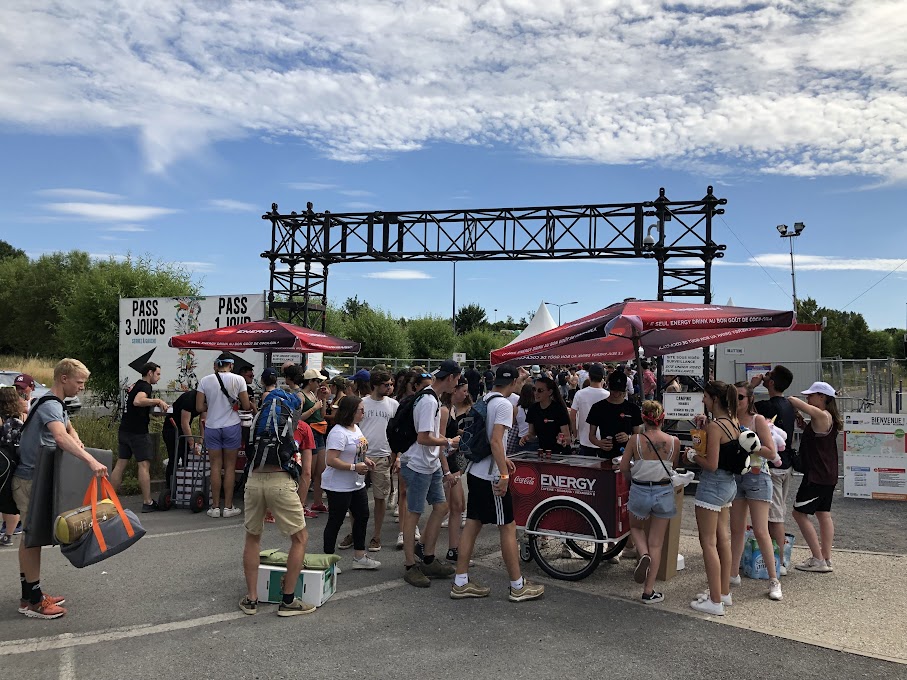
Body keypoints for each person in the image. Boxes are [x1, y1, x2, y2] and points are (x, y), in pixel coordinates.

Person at [13, 358, 107, 619]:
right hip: (29, 479)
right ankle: (33, 601)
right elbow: (60, 436)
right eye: (79, 383)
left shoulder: (51, 402)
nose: (81, 388)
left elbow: (68, 428)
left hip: (35, 478)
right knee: (32, 539)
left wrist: (77, 439)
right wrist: (90, 460)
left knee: (33, 538)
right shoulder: (50, 404)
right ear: (63, 378)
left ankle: (30, 594)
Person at [451, 364, 545, 602]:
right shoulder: (504, 404)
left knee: (473, 523)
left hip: (476, 470)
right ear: (512, 383)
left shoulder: (486, 398)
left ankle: (460, 581)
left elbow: (493, 444)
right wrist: (504, 474)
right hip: (492, 476)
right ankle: (517, 585)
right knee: (508, 526)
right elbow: (495, 441)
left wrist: (504, 461)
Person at [240, 396, 315, 618]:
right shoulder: (297, 425)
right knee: (299, 539)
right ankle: (288, 600)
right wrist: (301, 501)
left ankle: (251, 599)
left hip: (254, 481)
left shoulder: (257, 422)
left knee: (253, 538)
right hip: (281, 481)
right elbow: (306, 471)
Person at [401, 359, 460, 588]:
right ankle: (409, 565)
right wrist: (448, 441)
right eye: (457, 380)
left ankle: (427, 557)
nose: (457, 385)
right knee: (414, 513)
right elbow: (423, 437)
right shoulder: (428, 400)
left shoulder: (431, 397)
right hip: (418, 464)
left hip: (430, 462)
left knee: (441, 507)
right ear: (451, 378)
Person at [618, 400, 681, 604]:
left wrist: (632, 476)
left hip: (640, 490)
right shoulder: (674, 441)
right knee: (657, 543)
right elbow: (674, 466)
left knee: (635, 528)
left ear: (643, 418)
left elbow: (624, 466)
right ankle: (648, 591)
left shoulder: (635, 440)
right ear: (662, 418)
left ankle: (641, 552)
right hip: (663, 491)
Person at [686, 381, 740, 616]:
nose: (703, 401)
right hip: (728, 485)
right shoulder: (733, 422)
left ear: (715, 399)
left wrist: (692, 456)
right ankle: (723, 592)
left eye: (706, 397)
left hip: (712, 485)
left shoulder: (716, 426)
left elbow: (710, 464)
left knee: (708, 542)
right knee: (723, 539)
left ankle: (715, 600)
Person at [729, 381, 782, 601]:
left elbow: (771, 451)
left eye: (740, 397)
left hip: (758, 475)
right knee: (737, 529)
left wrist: (751, 445)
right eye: (733, 398)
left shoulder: (757, 419)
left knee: (761, 530)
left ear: (750, 399)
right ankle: (732, 574)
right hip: (735, 476)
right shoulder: (729, 420)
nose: (736, 401)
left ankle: (774, 579)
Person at [322, 396, 380, 570]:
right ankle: (328, 561)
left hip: (356, 483)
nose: (364, 413)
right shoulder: (338, 432)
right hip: (338, 485)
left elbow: (356, 452)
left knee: (362, 516)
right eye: (361, 410)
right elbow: (331, 460)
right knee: (336, 521)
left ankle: (359, 556)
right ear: (351, 412)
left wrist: (366, 460)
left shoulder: (355, 428)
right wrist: (354, 467)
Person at [790, 381, 842, 574]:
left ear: (823, 397)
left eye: (812, 395)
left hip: (817, 476)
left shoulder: (820, 415)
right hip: (828, 475)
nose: (808, 398)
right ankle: (826, 558)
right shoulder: (828, 418)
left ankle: (818, 558)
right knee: (823, 514)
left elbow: (797, 403)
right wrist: (804, 426)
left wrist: (787, 399)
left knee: (798, 513)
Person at [751, 365, 796, 575]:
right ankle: (775, 554)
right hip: (786, 464)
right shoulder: (788, 405)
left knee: (775, 515)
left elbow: (741, 404)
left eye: (767, 376)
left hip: (774, 467)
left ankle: (781, 561)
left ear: (770, 383)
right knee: (776, 511)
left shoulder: (768, 407)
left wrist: (751, 386)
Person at [196, 354, 251, 518]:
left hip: (212, 426)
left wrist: (211, 404)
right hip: (231, 426)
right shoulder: (238, 380)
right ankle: (228, 507)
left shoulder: (205, 380)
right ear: (231, 365)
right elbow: (246, 405)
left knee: (214, 466)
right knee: (229, 467)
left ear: (217, 365)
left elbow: (199, 407)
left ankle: (214, 507)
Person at [111, 362, 169, 513]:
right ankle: (147, 501)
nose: (159, 377)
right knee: (144, 465)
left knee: (120, 464)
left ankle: (108, 501)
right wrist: (158, 401)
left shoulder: (135, 385)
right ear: (150, 373)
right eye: (158, 374)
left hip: (124, 429)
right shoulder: (145, 386)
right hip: (138, 432)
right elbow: (138, 401)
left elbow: (135, 405)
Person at [358, 371, 398, 552]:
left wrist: (396, 454)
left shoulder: (393, 405)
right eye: (386, 385)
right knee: (356, 498)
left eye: (391, 384)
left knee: (380, 498)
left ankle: (377, 535)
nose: (390, 388)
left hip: (383, 456)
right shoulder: (362, 403)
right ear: (375, 385)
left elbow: (398, 431)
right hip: (361, 455)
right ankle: (355, 532)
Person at [440, 378, 471, 561]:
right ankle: (425, 547)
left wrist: (465, 435)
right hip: (447, 463)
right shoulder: (444, 410)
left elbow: (450, 435)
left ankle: (453, 549)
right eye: (464, 390)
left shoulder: (451, 408)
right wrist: (446, 471)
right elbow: (440, 441)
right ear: (455, 390)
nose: (466, 394)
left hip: (452, 461)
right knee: (443, 508)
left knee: (456, 507)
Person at [586, 370, 643, 459]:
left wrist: (628, 437)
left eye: (619, 390)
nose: (616, 393)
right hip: (605, 455)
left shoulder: (633, 408)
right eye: (614, 390)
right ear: (609, 387)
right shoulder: (598, 407)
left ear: (624, 389)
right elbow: (591, 435)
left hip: (628, 456)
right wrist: (599, 443)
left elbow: (638, 436)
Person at [297, 368, 329, 514]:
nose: (319, 383)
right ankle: (301, 504)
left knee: (320, 471)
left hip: (319, 433)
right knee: (308, 471)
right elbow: (297, 418)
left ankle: (317, 502)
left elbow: (322, 415)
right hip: (308, 435)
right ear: (310, 381)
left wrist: (323, 399)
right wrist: (314, 408)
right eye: (317, 381)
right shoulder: (301, 395)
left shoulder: (313, 395)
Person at [520, 376, 570, 454]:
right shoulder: (532, 409)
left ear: (550, 392)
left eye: (540, 390)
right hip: (543, 452)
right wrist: (526, 437)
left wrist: (564, 440)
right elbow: (532, 433)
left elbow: (567, 437)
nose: (536, 393)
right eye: (534, 389)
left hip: (560, 453)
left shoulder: (558, 409)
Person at [162, 388, 200, 487]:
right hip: (172, 428)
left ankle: (185, 486)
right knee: (174, 457)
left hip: (183, 429)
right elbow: (184, 423)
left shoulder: (207, 399)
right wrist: (192, 443)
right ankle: (170, 487)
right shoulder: (190, 399)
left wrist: (201, 441)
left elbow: (203, 420)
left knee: (187, 457)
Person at [0, 388, 24, 547]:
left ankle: (7, 534)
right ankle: (8, 534)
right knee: (9, 499)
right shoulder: (21, 418)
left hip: (3, 460)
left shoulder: (1, 419)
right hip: (15, 461)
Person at [570, 363, 609, 456]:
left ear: (589, 376)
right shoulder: (608, 395)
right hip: (604, 441)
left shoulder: (580, 394)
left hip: (584, 439)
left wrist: (574, 433)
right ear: (603, 377)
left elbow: (572, 415)